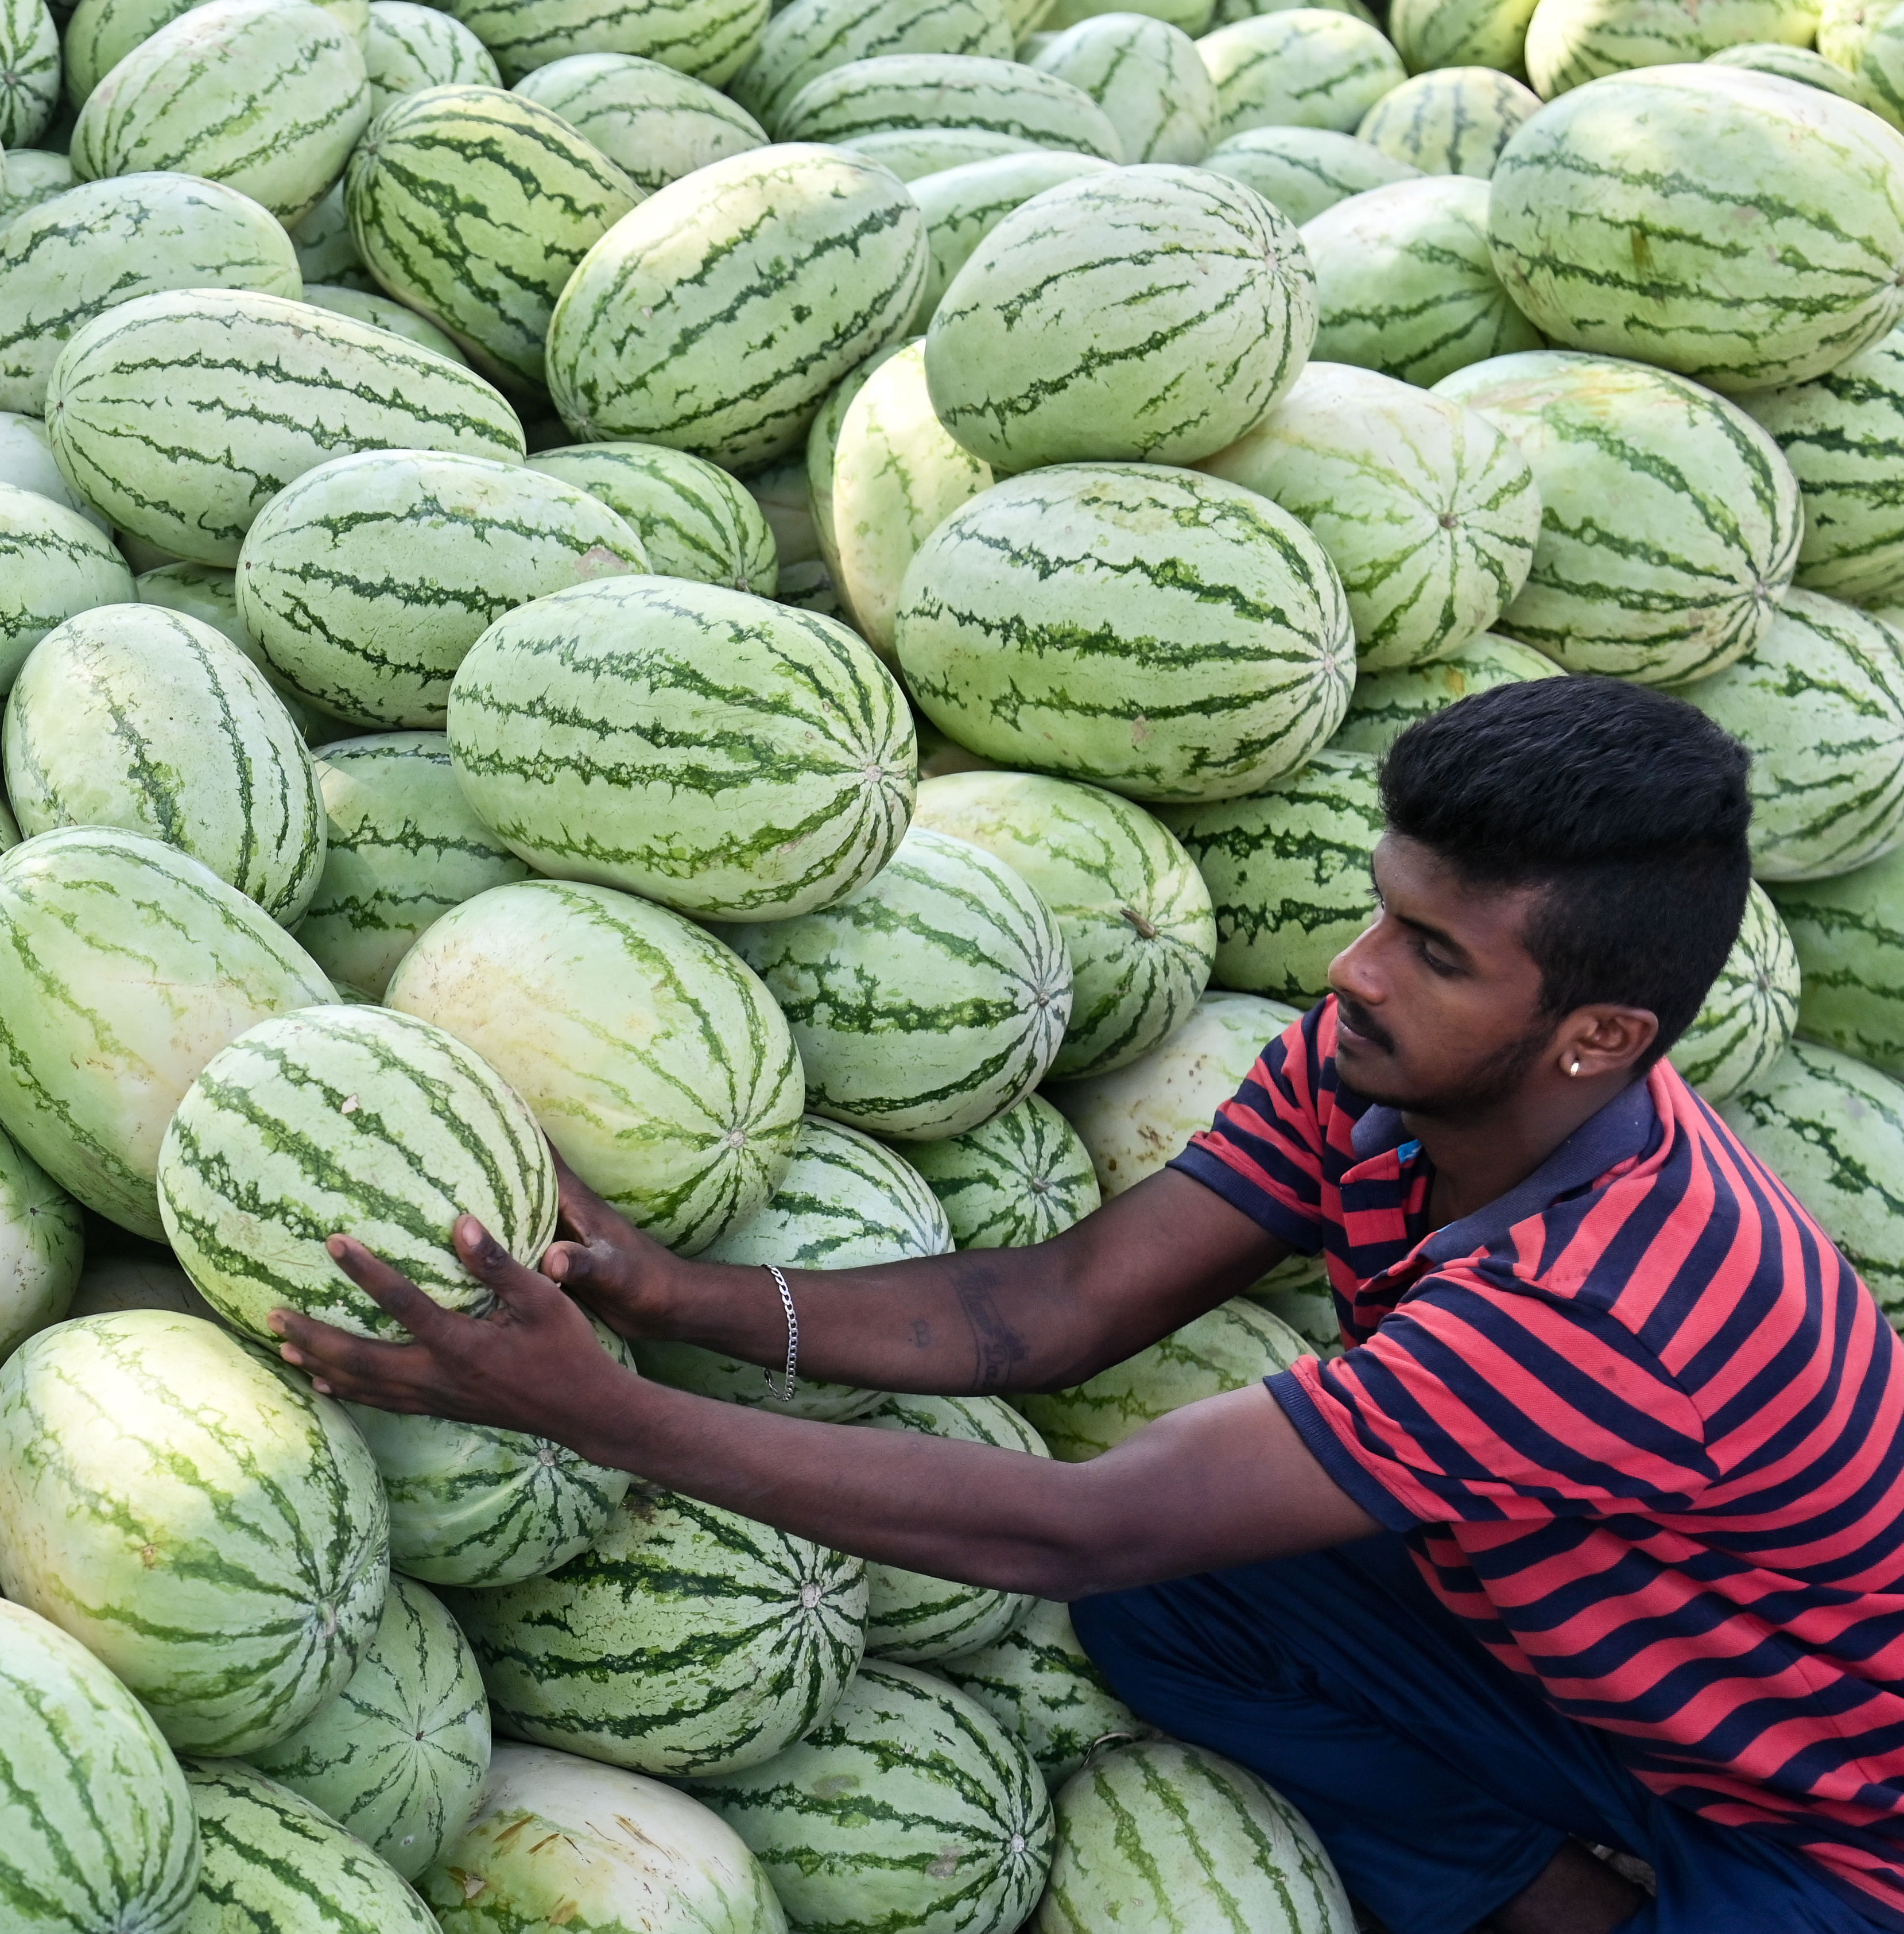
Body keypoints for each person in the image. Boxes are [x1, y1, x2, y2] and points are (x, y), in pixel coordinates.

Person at [269, 677, 1904, 1934]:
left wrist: (592, 1407)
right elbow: (1047, 1304)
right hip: (1584, 1682)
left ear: (1596, 1038)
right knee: (1179, 1609)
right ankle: (1548, 1890)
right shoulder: (1378, 1083)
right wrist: (675, 1291)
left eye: (1430, 949)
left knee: (1129, 1562)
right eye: (1376, 907)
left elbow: (1076, 1524)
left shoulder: (1610, 1307)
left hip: (1829, 1827)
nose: (1351, 969)